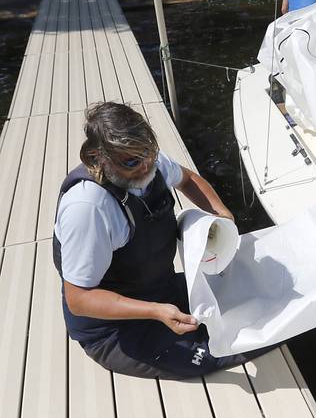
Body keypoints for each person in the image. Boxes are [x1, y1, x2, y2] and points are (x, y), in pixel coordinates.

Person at [53, 102, 267, 379]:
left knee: (251, 293)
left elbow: (188, 179)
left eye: (149, 155)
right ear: (98, 157)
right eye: (130, 162)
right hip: (113, 328)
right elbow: (79, 299)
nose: (144, 167)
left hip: (158, 290)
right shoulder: (88, 209)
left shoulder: (147, 161)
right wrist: (155, 311)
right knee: (221, 347)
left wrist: (222, 215)